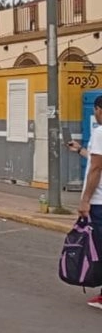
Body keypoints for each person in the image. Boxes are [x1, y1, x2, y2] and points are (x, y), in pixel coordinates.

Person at [67, 95, 102, 310]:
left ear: (99, 110)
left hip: (99, 201)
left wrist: (85, 200)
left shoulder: (100, 132)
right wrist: (80, 150)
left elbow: (97, 167)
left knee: (99, 248)